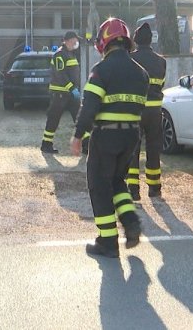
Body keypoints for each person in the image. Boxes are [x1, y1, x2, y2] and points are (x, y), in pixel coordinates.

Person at [69, 18, 149, 258]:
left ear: (104, 42)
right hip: (131, 137)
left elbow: (89, 106)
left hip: (106, 136)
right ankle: (131, 222)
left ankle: (107, 242)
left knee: (99, 186)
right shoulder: (141, 73)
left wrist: (77, 135)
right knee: (116, 182)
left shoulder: (101, 70)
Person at [127, 22, 167, 200]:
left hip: (135, 111)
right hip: (155, 112)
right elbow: (162, 84)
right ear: (151, 40)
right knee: (153, 149)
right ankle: (154, 188)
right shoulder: (161, 61)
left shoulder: (129, 59)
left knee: (133, 150)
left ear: (135, 40)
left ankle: (133, 190)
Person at [42, 31, 84, 154]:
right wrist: (72, 88)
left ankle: (87, 145)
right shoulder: (60, 54)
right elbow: (60, 74)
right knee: (53, 119)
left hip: (70, 93)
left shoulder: (70, 54)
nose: (76, 43)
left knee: (80, 118)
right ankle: (46, 145)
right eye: (74, 41)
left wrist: (73, 90)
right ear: (67, 41)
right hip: (60, 93)